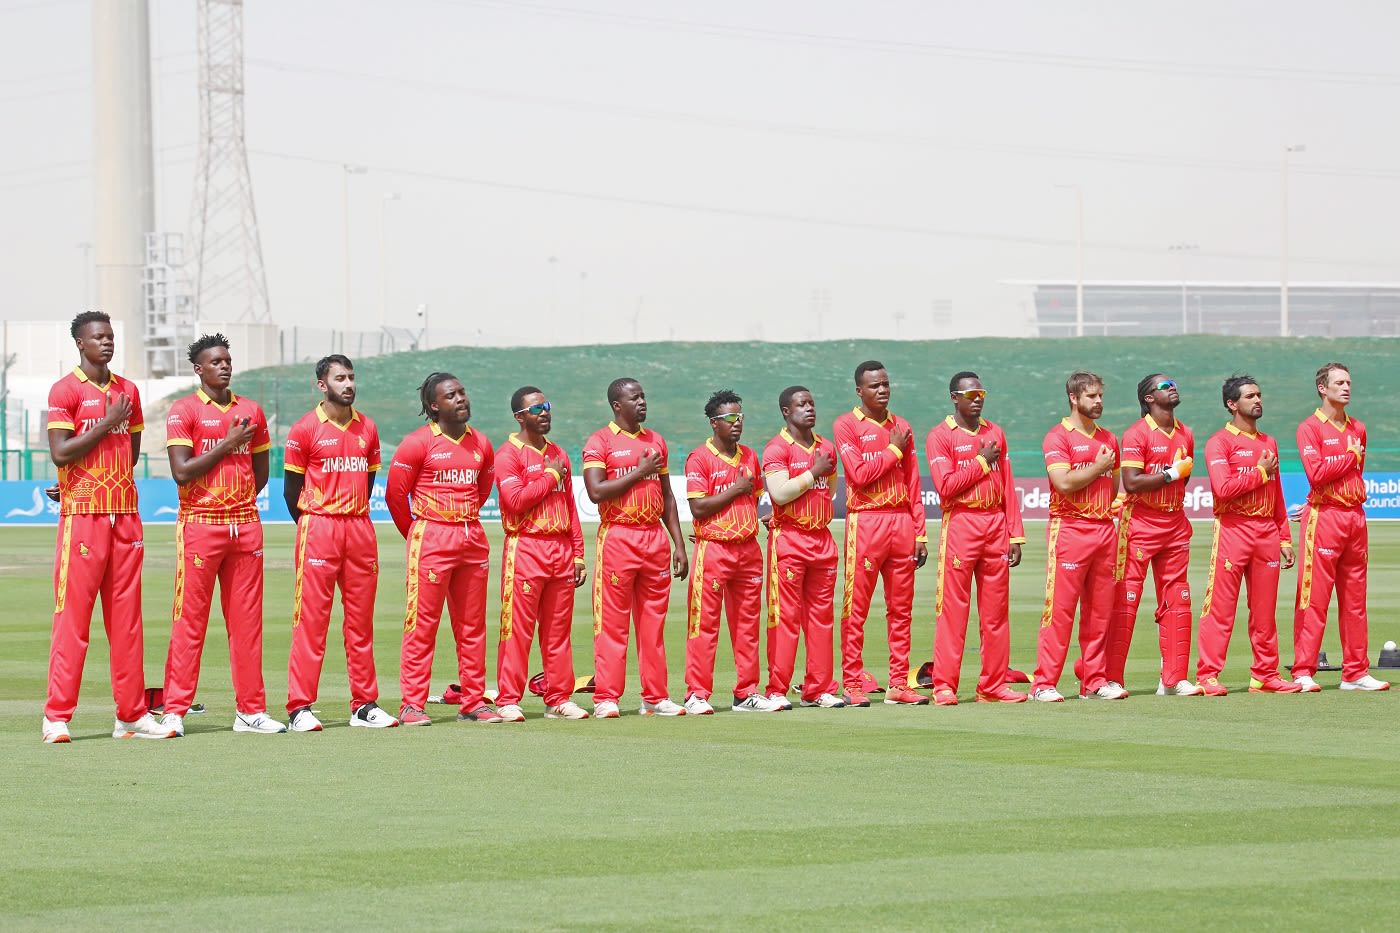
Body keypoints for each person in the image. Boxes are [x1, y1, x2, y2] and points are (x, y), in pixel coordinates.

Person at [41, 311, 174, 742]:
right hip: (83, 517)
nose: (107, 343)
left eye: (111, 336)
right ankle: (57, 717)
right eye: (98, 337)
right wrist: (102, 423)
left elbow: (128, 453)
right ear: (80, 343)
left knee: (127, 622)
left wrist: (106, 437)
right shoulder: (64, 391)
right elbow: (61, 454)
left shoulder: (128, 391)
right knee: (73, 622)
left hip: (125, 516)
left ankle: (131, 716)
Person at [161, 333, 284, 735]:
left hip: (245, 526)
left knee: (247, 624)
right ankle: (175, 711)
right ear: (198, 369)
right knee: (189, 622)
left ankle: (251, 711)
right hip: (200, 525)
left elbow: (261, 470)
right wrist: (228, 443)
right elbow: (182, 471)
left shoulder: (251, 410)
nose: (224, 366)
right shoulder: (183, 411)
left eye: (227, 360)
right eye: (215, 362)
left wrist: (240, 499)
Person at [282, 355, 398, 732]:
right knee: (311, 623)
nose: (348, 384)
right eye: (339, 378)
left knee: (361, 624)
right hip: (320, 528)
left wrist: (349, 516)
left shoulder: (369, 429)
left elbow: (368, 482)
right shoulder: (304, 429)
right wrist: (318, 523)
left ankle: (364, 705)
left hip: (360, 528)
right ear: (322, 385)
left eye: (351, 377)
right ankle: (300, 707)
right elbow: (290, 493)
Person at [386, 372, 501, 724]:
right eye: (452, 395)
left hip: (471, 537)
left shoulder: (481, 443)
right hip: (432, 537)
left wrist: (461, 523)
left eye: (463, 393)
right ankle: (412, 704)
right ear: (434, 405)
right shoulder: (417, 443)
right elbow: (395, 495)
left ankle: (474, 701)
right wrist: (421, 535)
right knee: (422, 624)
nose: (462, 399)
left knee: (472, 626)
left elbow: (483, 490)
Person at [582, 377, 689, 718]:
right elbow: (596, 491)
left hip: (653, 537)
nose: (642, 402)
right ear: (617, 405)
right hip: (619, 535)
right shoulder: (600, 441)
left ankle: (655, 698)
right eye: (635, 398)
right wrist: (640, 470)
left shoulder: (656, 440)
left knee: (652, 623)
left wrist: (678, 543)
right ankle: (607, 698)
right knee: (612, 623)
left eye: (643, 396)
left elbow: (667, 495)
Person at [1195, 375, 1302, 695]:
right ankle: (1208, 674)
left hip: (1266, 533)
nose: (1258, 400)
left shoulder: (1269, 443)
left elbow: (1277, 493)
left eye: (1259, 395)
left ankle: (1265, 675)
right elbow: (1224, 490)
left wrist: (1284, 536)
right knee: (1221, 608)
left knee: (1265, 609)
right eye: (1250, 396)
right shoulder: (1219, 443)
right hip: (1233, 528)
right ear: (1232, 404)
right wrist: (1259, 472)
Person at [925, 371, 1027, 705]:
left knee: (996, 612)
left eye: (981, 392)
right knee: (953, 610)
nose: (978, 398)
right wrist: (982, 461)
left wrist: (1016, 533)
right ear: (954, 398)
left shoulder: (995, 432)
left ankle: (993, 685)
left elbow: (1008, 484)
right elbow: (947, 487)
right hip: (962, 522)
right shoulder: (941, 436)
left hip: (995, 524)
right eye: (970, 394)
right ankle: (944, 685)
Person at [832, 361, 929, 707]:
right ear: (859, 391)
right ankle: (853, 683)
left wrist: (920, 532)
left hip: (901, 522)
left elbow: (914, 482)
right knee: (855, 607)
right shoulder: (846, 425)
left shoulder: (902, 426)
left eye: (886, 384)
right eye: (874, 386)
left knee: (901, 609)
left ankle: (898, 684)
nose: (883, 390)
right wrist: (893, 450)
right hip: (867, 521)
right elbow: (858, 475)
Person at [493, 386, 591, 721]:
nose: (544, 412)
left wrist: (578, 554)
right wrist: (550, 475)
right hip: (526, 546)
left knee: (558, 631)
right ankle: (508, 699)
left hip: (560, 549)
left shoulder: (560, 454)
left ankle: (558, 699)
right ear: (520, 417)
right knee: (517, 629)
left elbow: (570, 508)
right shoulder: (508, 454)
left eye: (546, 406)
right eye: (536, 409)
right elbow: (516, 501)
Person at [1291, 363, 1389, 692]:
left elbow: (1353, 474)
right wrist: (1347, 456)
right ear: (1323, 388)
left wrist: (1348, 459)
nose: (1346, 387)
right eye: (1339, 382)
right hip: (1325, 517)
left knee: (1355, 600)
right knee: (1314, 597)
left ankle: (1355, 672)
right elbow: (1317, 475)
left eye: (1349, 382)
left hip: (1355, 518)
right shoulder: (1309, 428)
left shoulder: (1358, 428)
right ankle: (1303, 671)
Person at [682, 390, 778, 714]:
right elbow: (697, 507)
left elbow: (756, 497)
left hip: (748, 550)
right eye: (730, 419)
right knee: (704, 625)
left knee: (747, 625)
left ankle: (746, 693)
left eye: (741, 417)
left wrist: (763, 517)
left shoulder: (750, 456)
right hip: (714, 550)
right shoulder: (699, 458)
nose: (737, 424)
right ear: (714, 423)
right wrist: (736, 488)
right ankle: (696, 694)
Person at [1030, 371, 1124, 702]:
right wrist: (1097, 468)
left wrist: (1102, 472)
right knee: (1061, 610)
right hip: (1069, 529)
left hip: (1104, 529)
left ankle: (1094, 681)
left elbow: (1113, 488)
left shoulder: (1110, 439)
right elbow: (1064, 483)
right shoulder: (1057, 437)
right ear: (1074, 397)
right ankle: (1043, 684)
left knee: (1100, 612)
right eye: (1092, 396)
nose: (1098, 402)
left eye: (1100, 396)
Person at [1108, 374, 1202, 697]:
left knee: (1178, 598)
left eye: (1174, 383)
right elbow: (1132, 482)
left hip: (1174, 523)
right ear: (1149, 398)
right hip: (1139, 524)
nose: (1172, 387)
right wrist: (1171, 473)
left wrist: (1175, 478)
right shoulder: (1137, 434)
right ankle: (1110, 679)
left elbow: (1183, 484)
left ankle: (1173, 679)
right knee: (1126, 599)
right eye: (1164, 386)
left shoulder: (1186, 433)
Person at [762, 386, 845, 710]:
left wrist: (816, 477)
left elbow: (833, 490)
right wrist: (812, 473)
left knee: (821, 618)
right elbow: (779, 494)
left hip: (821, 539)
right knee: (785, 617)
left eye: (811, 403)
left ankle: (818, 688)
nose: (809, 409)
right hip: (790, 539)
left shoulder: (826, 447)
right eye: (801, 405)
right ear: (786, 411)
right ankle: (777, 689)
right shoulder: (777, 448)